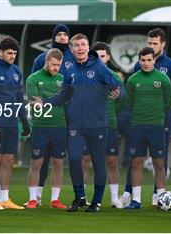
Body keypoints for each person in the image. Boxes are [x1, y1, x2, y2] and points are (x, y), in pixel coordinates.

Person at [31, 33, 123, 212]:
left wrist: (119, 94)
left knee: (98, 162)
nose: (80, 48)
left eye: (83, 45)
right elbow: (65, 93)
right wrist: (45, 102)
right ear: (71, 49)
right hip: (76, 125)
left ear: (88, 48)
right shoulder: (69, 68)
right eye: (77, 45)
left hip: (97, 124)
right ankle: (80, 197)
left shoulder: (100, 68)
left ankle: (96, 202)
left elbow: (119, 88)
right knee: (73, 159)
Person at [123, 28, 171, 205]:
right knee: (136, 158)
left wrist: (157, 108)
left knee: (160, 158)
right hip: (140, 120)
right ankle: (130, 194)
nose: (151, 46)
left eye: (155, 43)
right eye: (149, 43)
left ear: (163, 44)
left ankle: (159, 196)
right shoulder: (137, 68)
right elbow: (131, 97)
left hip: (161, 119)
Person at [0, 37, 30, 210]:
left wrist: (24, 121)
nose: (12, 56)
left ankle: (5, 198)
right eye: (9, 53)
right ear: (0, 52)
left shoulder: (16, 71)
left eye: (14, 53)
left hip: (11, 123)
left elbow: (19, 98)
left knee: (9, 159)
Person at [30, 24, 75, 205]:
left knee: (59, 160)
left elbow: (71, 91)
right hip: (43, 121)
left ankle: (55, 198)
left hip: (63, 120)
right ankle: (36, 195)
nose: (62, 37)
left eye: (65, 34)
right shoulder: (41, 58)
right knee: (39, 160)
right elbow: (35, 92)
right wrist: (51, 99)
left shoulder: (73, 59)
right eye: (59, 34)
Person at [24, 48, 67, 209]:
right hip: (40, 126)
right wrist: (56, 97)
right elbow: (33, 100)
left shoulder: (64, 79)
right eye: (54, 64)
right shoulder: (33, 78)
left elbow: (65, 97)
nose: (56, 68)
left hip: (60, 126)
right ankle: (33, 199)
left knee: (58, 162)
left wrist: (46, 98)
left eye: (59, 65)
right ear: (46, 62)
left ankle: (55, 200)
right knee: (36, 163)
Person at [91, 41, 125, 208]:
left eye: (102, 56)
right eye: (96, 56)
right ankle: (82, 197)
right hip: (88, 125)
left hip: (109, 124)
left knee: (111, 160)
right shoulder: (86, 75)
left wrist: (117, 98)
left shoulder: (115, 77)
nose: (99, 59)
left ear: (108, 57)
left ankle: (114, 199)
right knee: (84, 161)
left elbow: (122, 101)